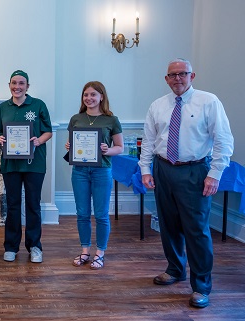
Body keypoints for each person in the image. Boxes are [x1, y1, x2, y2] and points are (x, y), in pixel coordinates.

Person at [139, 58, 234, 308]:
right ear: (166, 79)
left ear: (193, 76)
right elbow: (148, 140)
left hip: (195, 172)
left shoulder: (209, 101)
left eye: (183, 74)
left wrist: (214, 174)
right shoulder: (158, 105)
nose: (178, 78)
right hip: (163, 169)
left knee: (196, 230)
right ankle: (175, 269)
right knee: (168, 225)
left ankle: (201, 286)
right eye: (173, 75)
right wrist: (145, 170)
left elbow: (224, 139)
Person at [0, 70, 53, 263]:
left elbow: (48, 132)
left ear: (27, 86)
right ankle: (11, 247)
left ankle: (35, 246)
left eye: (21, 83)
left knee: (33, 205)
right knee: (12, 206)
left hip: (34, 164)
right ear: (9, 85)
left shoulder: (38, 105)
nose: (17, 87)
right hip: (11, 164)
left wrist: (37, 141)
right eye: (13, 83)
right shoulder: (2, 108)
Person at [66, 81, 124, 270]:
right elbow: (71, 144)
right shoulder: (76, 118)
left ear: (101, 97)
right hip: (80, 171)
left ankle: (100, 252)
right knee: (82, 213)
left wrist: (107, 150)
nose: (89, 98)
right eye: (86, 95)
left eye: (93, 95)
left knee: (101, 214)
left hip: (102, 171)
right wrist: (69, 146)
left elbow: (120, 148)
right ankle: (85, 250)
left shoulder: (111, 120)